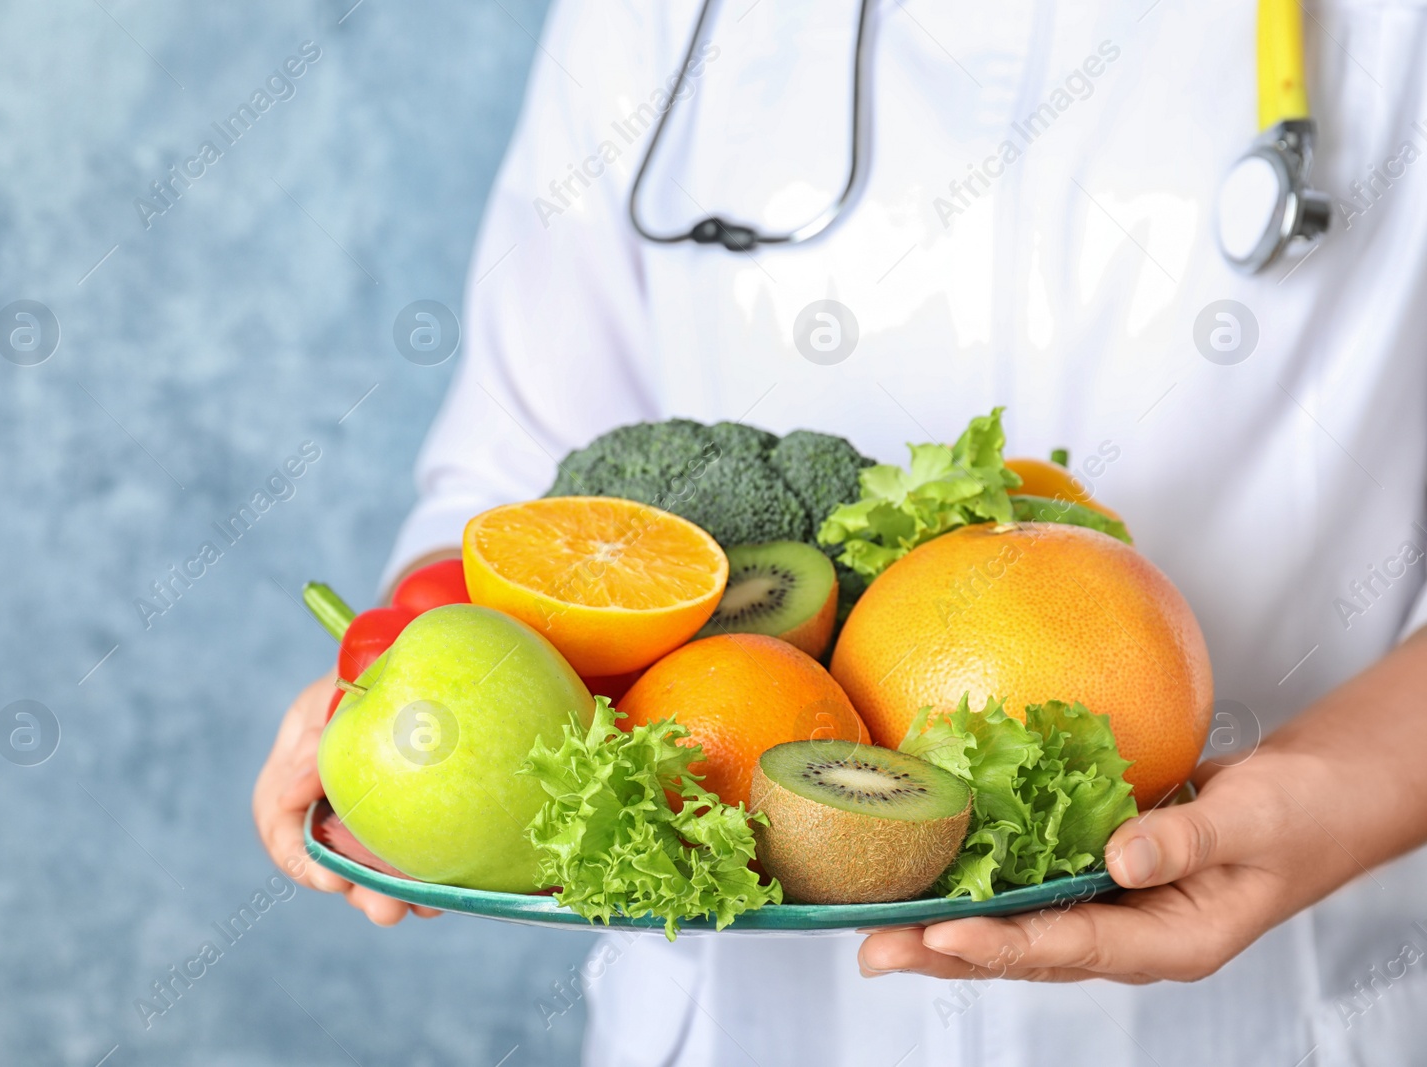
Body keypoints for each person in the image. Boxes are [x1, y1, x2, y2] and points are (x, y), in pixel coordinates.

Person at [254, 2, 1427, 1062]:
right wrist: (424, 681)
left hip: (1270, 1008)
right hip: (736, 1025)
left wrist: (1337, 791)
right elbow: (516, 476)